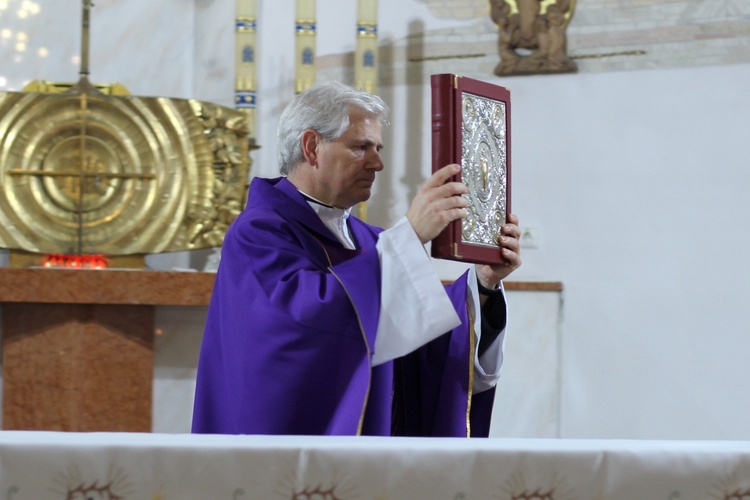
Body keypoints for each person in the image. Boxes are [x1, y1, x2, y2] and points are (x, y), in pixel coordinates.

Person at [192, 81, 521, 437]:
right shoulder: (259, 232)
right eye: (361, 147)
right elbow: (301, 324)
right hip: (290, 456)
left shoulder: (374, 242)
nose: (378, 163)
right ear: (312, 147)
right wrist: (409, 237)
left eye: (377, 148)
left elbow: (425, 355)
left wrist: (484, 283)